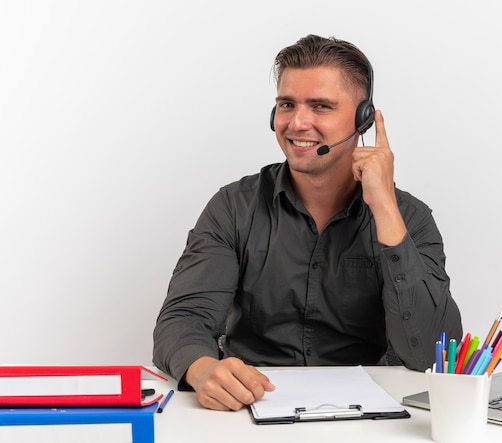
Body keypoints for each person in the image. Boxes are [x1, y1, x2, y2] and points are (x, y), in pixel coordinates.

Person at [153, 34, 463, 411]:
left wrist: (384, 209)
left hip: (372, 417)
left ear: (363, 118)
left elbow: (432, 353)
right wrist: (203, 371)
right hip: (251, 407)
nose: (297, 123)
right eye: (287, 104)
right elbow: (183, 318)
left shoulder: (409, 218)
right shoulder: (233, 208)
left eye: (321, 106)